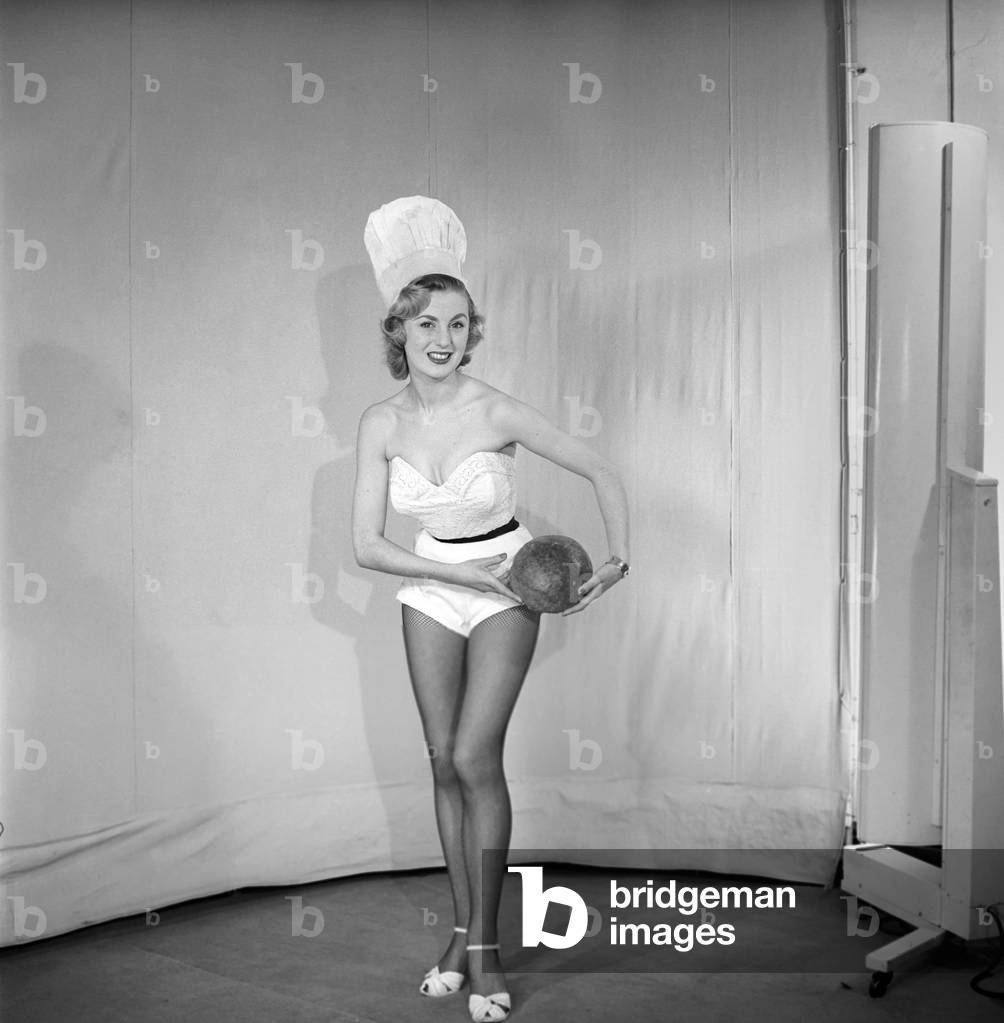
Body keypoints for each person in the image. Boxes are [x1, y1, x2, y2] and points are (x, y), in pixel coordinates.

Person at [352, 196, 630, 1022]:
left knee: (477, 755)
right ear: (398, 330)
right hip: (434, 585)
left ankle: (484, 947)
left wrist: (616, 562)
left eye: (458, 322)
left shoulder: (496, 408)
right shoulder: (379, 423)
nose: (443, 338)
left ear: (472, 332)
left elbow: (601, 468)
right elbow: (367, 545)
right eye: (426, 322)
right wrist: (466, 579)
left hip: (514, 582)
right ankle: (463, 929)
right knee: (441, 757)